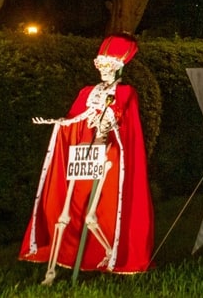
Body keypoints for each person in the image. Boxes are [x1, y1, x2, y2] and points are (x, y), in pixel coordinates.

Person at [21, 34, 153, 285]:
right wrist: (59, 123)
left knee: (96, 209)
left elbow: (122, 122)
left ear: (120, 67)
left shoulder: (125, 92)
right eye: (101, 66)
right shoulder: (87, 91)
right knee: (67, 210)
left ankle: (108, 253)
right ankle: (53, 269)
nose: (104, 71)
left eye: (109, 66)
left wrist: (108, 117)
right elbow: (76, 117)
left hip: (107, 154)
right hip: (82, 152)